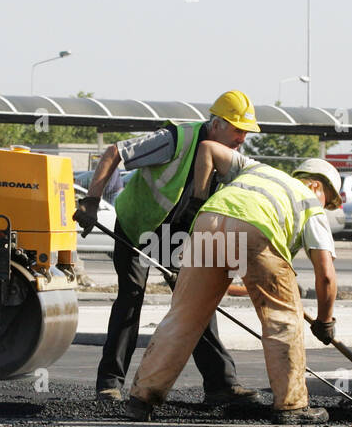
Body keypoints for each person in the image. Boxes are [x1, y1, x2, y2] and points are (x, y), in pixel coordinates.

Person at [124, 146, 342, 425]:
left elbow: (208, 149)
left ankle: (141, 400)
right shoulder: (309, 203)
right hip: (255, 229)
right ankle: (291, 407)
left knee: (184, 317)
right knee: (282, 320)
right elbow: (325, 275)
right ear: (315, 185)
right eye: (329, 201)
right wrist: (325, 321)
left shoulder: (259, 169)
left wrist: (197, 199)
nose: (326, 208)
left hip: (207, 219)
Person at [75, 90, 261, 406]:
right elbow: (113, 153)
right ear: (216, 124)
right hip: (136, 227)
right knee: (131, 299)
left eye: (246, 132)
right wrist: (92, 201)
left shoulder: (229, 160)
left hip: (176, 238)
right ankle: (109, 385)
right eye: (237, 130)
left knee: (197, 302)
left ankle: (221, 386)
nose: (242, 139)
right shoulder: (177, 138)